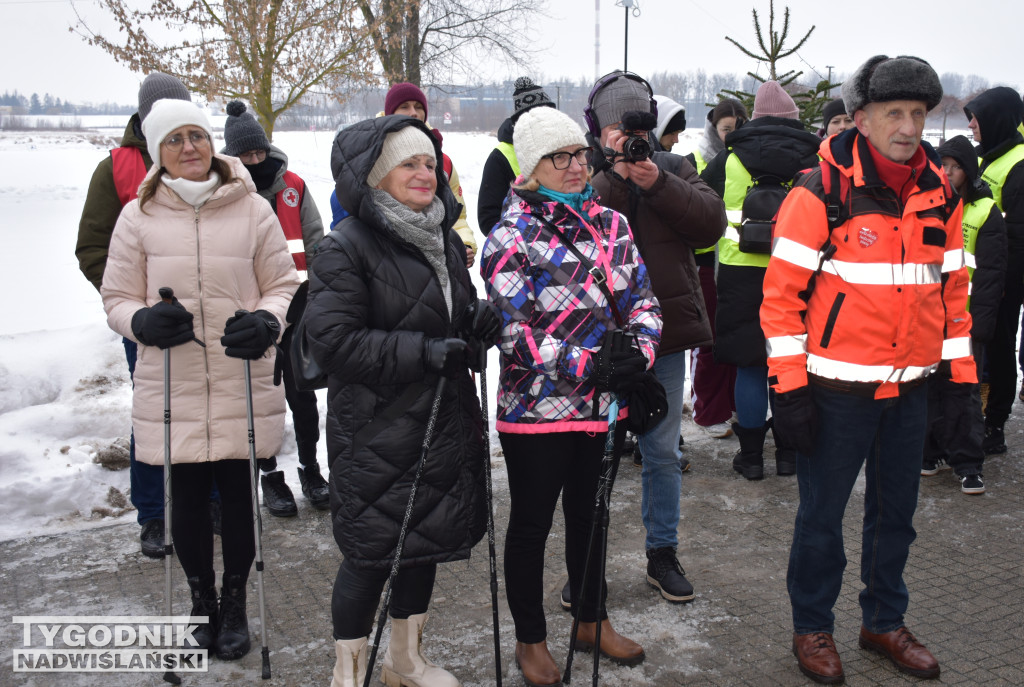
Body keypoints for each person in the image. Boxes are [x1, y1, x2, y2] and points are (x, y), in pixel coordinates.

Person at [762, 55, 970, 683]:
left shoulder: (940, 193)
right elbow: (780, 302)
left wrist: (959, 382)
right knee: (821, 517)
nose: (908, 127)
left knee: (896, 515)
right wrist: (790, 392)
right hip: (836, 392)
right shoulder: (818, 191)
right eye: (894, 113)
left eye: (917, 114)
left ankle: (882, 620)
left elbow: (952, 290)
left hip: (909, 389)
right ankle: (812, 627)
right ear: (862, 117)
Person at [101, 98, 300, 660]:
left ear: (211, 141)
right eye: (174, 140)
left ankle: (235, 602)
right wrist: (139, 321)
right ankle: (200, 600)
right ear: (158, 154)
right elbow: (115, 297)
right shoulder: (137, 216)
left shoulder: (252, 209)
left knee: (238, 496)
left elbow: (282, 285)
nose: (189, 147)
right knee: (184, 498)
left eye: (197, 135)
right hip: (174, 380)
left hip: (238, 374)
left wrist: (267, 321)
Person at [304, 115, 489, 687]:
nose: (423, 173)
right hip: (377, 430)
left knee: (424, 544)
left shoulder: (444, 239)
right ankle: (347, 672)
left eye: (429, 163)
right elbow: (333, 343)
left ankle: (405, 661)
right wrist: (426, 351)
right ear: (377, 175)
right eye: (408, 163)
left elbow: (454, 317)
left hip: (441, 421)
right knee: (370, 555)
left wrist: (478, 325)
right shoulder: (344, 248)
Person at [481, 104, 661, 686]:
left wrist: (641, 352)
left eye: (579, 153)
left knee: (593, 516)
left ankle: (590, 617)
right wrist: (589, 363)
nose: (575, 165)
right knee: (532, 524)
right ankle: (531, 640)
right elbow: (513, 332)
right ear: (531, 168)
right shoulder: (509, 235)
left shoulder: (614, 225)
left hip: (601, 408)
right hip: (535, 409)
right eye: (559, 157)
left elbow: (643, 301)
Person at [587, 70, 725, 604]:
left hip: (663, 339)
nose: (627, 138)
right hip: (598, 343)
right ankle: (588, 562)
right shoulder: (583, 174)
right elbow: (582, 232)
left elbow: (710, 224)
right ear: (599, 132)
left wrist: (656, 182)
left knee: (662, 452)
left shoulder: (673, 167)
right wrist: (614, 177)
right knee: (592, 455)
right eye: (616, 128)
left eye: (635, 125)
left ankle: (661, 554)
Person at [75, 72, 191, 559]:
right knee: (154, 415)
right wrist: (134, 306)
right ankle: (153, 513)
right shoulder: (117, 170)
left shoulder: (201, 158)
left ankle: (205, 504)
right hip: (146, 324)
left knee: (203, 411)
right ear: (144, 117)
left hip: (205, 319)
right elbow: (92, 247)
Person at [701, 80, 821, 480]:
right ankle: (788, 453)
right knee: (791, 362)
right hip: (799, 272)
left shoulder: (729, 156)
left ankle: (751, 457)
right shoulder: (814, 156)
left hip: (739, 274)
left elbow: (704, 208)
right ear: (792, 119)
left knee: (750, 367)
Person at [220, 100, 329, 516]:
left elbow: (317, 242)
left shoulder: (294, 188)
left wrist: (320, 294)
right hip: (253, 315)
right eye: (245, 155)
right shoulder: (228, 196)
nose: (254, 160)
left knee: (303, 396)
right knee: (262, 400)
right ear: (233, 157)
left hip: (299, 307)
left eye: (259, 152)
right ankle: (270, 477)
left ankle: (309, 468)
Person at [920, 135, 1006, 494]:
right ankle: (932, 452)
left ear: (968, 173)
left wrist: (981, 326)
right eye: (944, 166)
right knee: (929, 390)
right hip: (928, 319)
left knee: (964, 393)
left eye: (956, 167)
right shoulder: (929, 205)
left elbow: (991, 276)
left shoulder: (984, 213)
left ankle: (968, 463)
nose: (948, 173)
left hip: (965, 322)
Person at [963, 86, 1024, 455]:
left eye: (977, 119)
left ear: (997, 121)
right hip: (980, 278)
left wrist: (1003, 284)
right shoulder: (988, 157)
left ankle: (995, 425)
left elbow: (1017, 235)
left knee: (1000, 348)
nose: (971, 126)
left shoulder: (1019, 164)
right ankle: (977, 414)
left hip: (1004, 279)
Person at [688, 98, 747, 440]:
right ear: (714, 129)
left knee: (737, 338)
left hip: (739, 262)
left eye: (737, 128)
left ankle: (735, 403)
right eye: (726, 129)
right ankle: (708, 410)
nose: (731, 135)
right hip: (706, 260)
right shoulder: (696, 159)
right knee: (708, 338)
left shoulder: (750, 159)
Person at [476, 76, 555, 236]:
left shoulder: (563, 150)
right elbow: (488, 218)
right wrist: (521, 242)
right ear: (521, 121)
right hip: (523, 250)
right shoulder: (500, 156)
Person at [692, 98, 748, 173]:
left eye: (739, 128)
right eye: (727, 130)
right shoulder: (692, 162)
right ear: (714, 129)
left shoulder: (757, 158)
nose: (734, 135)